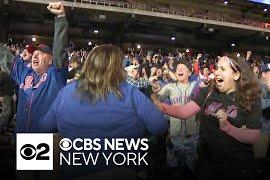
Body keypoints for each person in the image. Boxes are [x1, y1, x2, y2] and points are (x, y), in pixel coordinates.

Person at [40, 44, 168, 178]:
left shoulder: (66, 92)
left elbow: (45, 126)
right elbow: (159, 126)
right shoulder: (130, 93)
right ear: (118, 67)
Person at [153, 54, 262, 179]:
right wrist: (161, 107)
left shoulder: (249, 97)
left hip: (236, 166)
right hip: (208, 163)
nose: (216, 72)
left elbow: (253, 136)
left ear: (236, 75)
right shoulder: (208, 92)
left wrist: (228, 128)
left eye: (223, 69)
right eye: (216, 68)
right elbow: (184, 112)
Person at [0, 2, 68, 133]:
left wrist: (60, 20)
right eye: (34, 54)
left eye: (40, 53)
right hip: (21, 138)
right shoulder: (25, 73)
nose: (34, 56)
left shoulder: (56, 74)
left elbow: (60, 49)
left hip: (43, 141)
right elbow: (4, 56)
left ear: (50, 60)